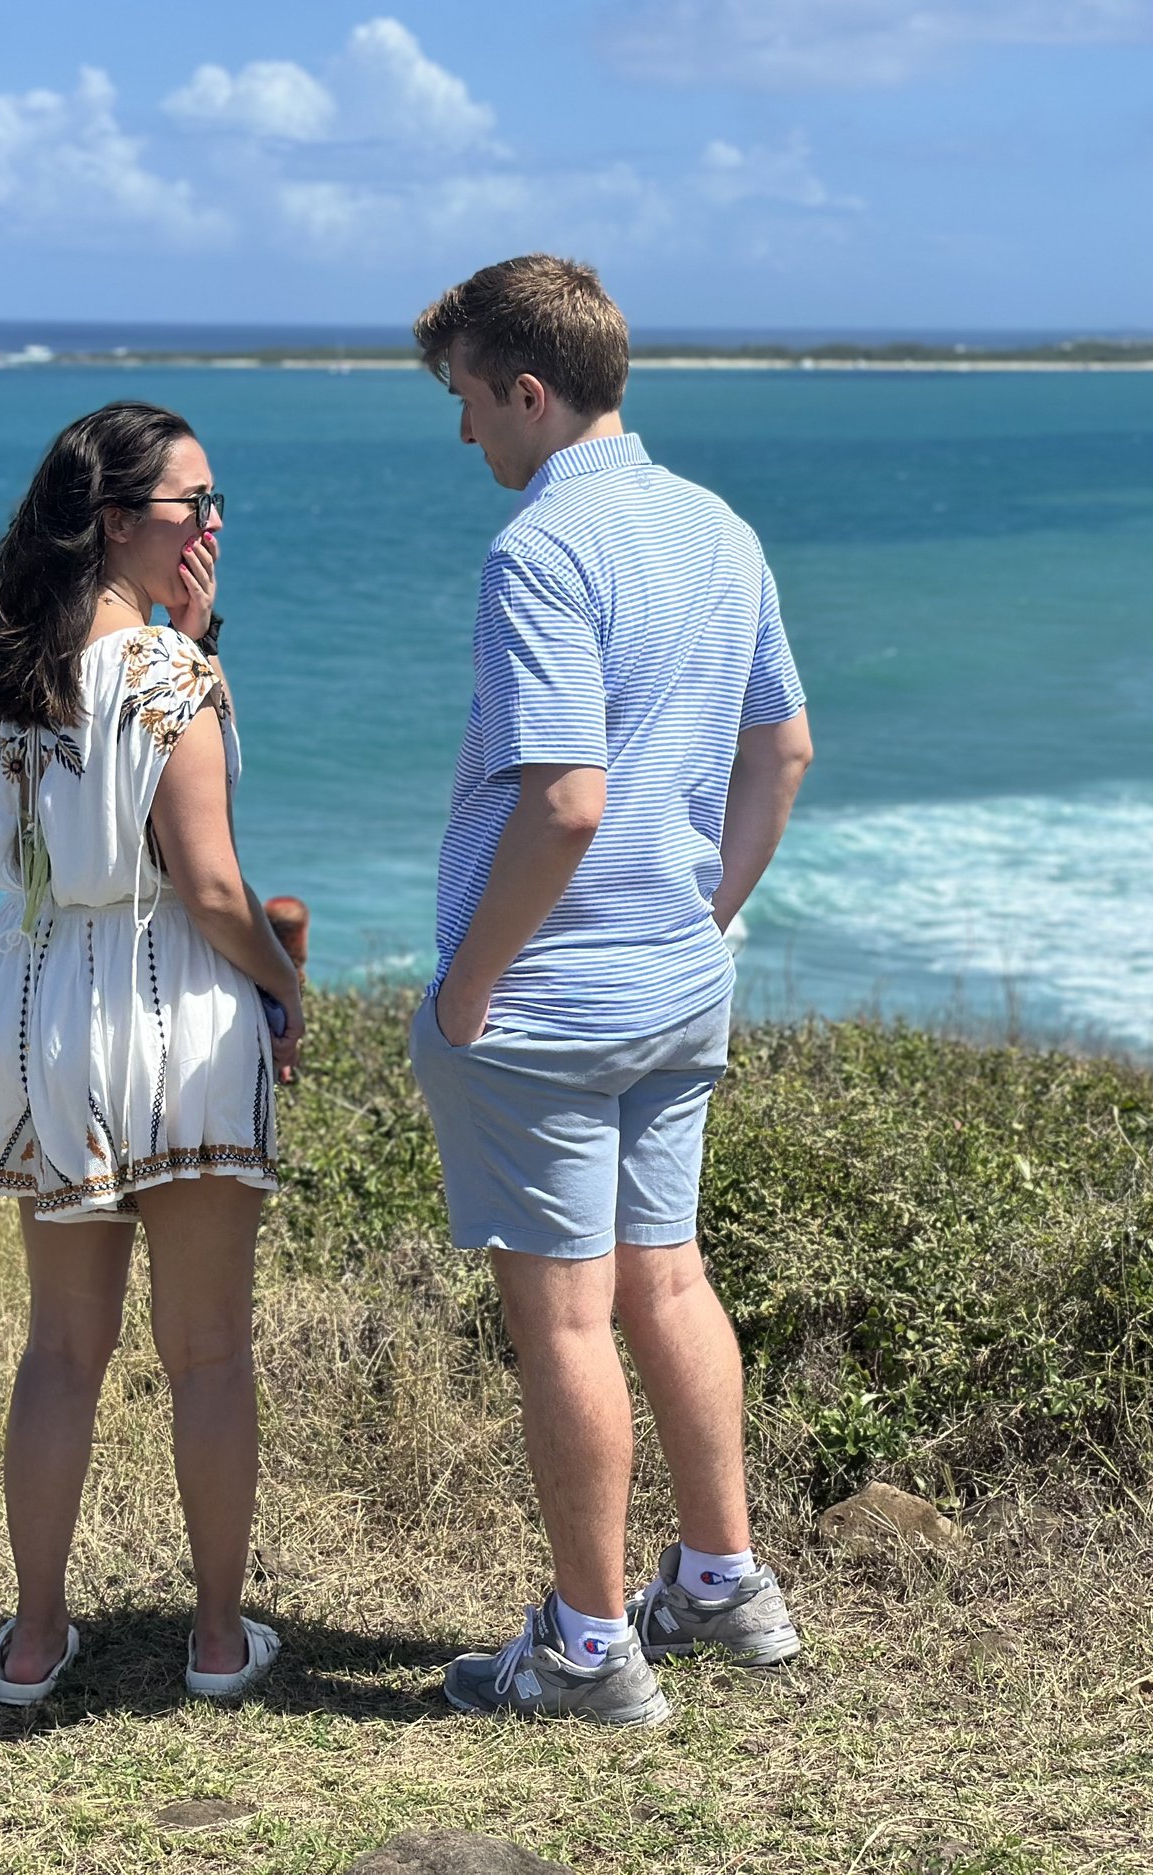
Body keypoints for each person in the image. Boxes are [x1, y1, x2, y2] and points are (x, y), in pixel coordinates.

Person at [405, 255, 816, 1725]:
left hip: (549, 1007)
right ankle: (722, 1583)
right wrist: (709, 914)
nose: (464, 435)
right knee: (672, 1278)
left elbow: (564, 799)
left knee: (568, 1323)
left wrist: (473, 988)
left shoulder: (541, 553)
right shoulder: (718, 529)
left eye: (465, 399)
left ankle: (589, 1649)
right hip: (674, 983)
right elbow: (784, 753)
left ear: (527, 390)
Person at [0, 402, 305, 1707]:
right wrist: (284, 983)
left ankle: (35, 1643)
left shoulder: (10, 679)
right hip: (178, 1009)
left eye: (215, 505)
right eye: (189, 506)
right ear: (114, 522)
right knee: (206, 1349)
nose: (211, 528)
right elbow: (208, 886)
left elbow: (65, 830)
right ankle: (215, 1639)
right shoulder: (169, 678)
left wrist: (179, 638)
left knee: (60, 1350)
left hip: (47, 1008)